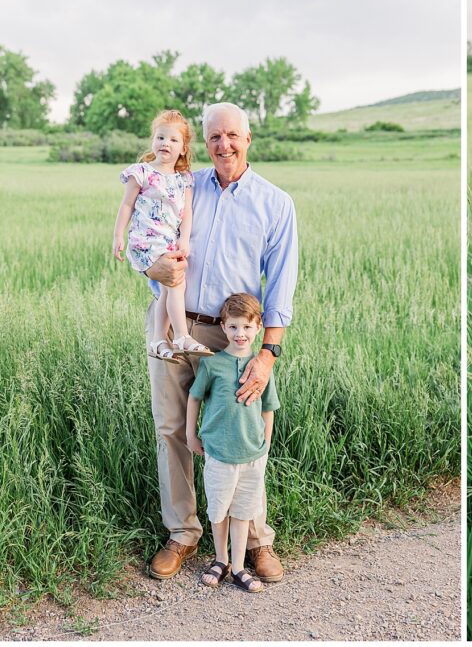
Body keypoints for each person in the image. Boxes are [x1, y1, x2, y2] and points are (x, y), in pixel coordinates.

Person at [144, 102, 297, 583]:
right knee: (172, 428)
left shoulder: (275, 203)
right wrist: (151, 267)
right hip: (171, 323)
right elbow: (145, 239)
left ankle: (256, 540)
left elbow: (280, 288)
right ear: (202, 143)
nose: (223, 145)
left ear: (249, 138)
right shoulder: (183, 187)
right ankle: (183, 533)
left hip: (232, 337)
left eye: (232, 135)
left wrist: (267, 354)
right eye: (214, 138)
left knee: (244, 437)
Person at [186, 293, 278, 593]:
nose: (241, 334)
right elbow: (195, 397)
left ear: (258, 328)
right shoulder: (213, 365)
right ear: (223, 328)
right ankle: (221, 559)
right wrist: (191, 434)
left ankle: (238, 566)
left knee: (242, 511)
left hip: (252, 455)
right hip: (219, 452)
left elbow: (268, 407)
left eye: (248, 327)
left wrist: (265, 441)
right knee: (219, 509)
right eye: (234, 327)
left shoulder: (261, 367)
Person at [113, 110, 213, 361]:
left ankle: (158, 339)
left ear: (183, 148)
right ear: (152, 141)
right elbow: (126, 205)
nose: (165, 144)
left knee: (167, 289)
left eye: (172, 140)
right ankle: (180, 334)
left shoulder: (184, 179)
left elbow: (187, 212)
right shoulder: (142, 172)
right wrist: (118, 236)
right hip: (146, 240)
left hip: (168, 241)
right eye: (160, 138)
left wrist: (184, 239)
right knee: (176, 282)